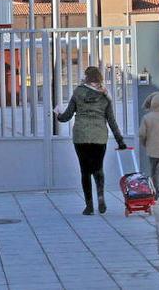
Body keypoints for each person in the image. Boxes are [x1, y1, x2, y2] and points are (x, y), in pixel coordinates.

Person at [55, 65, 126, 215]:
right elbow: (111, 120)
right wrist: (120, 140)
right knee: (98, 168)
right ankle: (100, 197)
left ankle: (89, 206)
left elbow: (66, 116)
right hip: (99, 136)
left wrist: (58, 115)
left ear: (86, 77)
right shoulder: (105, 95)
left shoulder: (78, 92)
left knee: (85, 171)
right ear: (99, 78)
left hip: (81, 136)